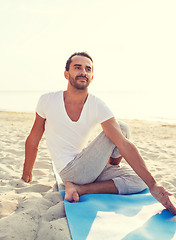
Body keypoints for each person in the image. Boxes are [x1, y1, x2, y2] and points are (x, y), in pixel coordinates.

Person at [22, 52, 176, 215]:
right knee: (121, 128)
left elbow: (123, 144)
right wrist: (26, 174)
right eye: (77, 67)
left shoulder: (97, 105)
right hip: (70, 170)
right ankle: (78, 184)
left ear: (92, 77)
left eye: (88, 69)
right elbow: (33, 140)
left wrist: (153, 185)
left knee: (139, 180)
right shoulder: (47, 100)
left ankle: (80, 188)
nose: (83, 72)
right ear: (66, 74)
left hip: (87, 166)